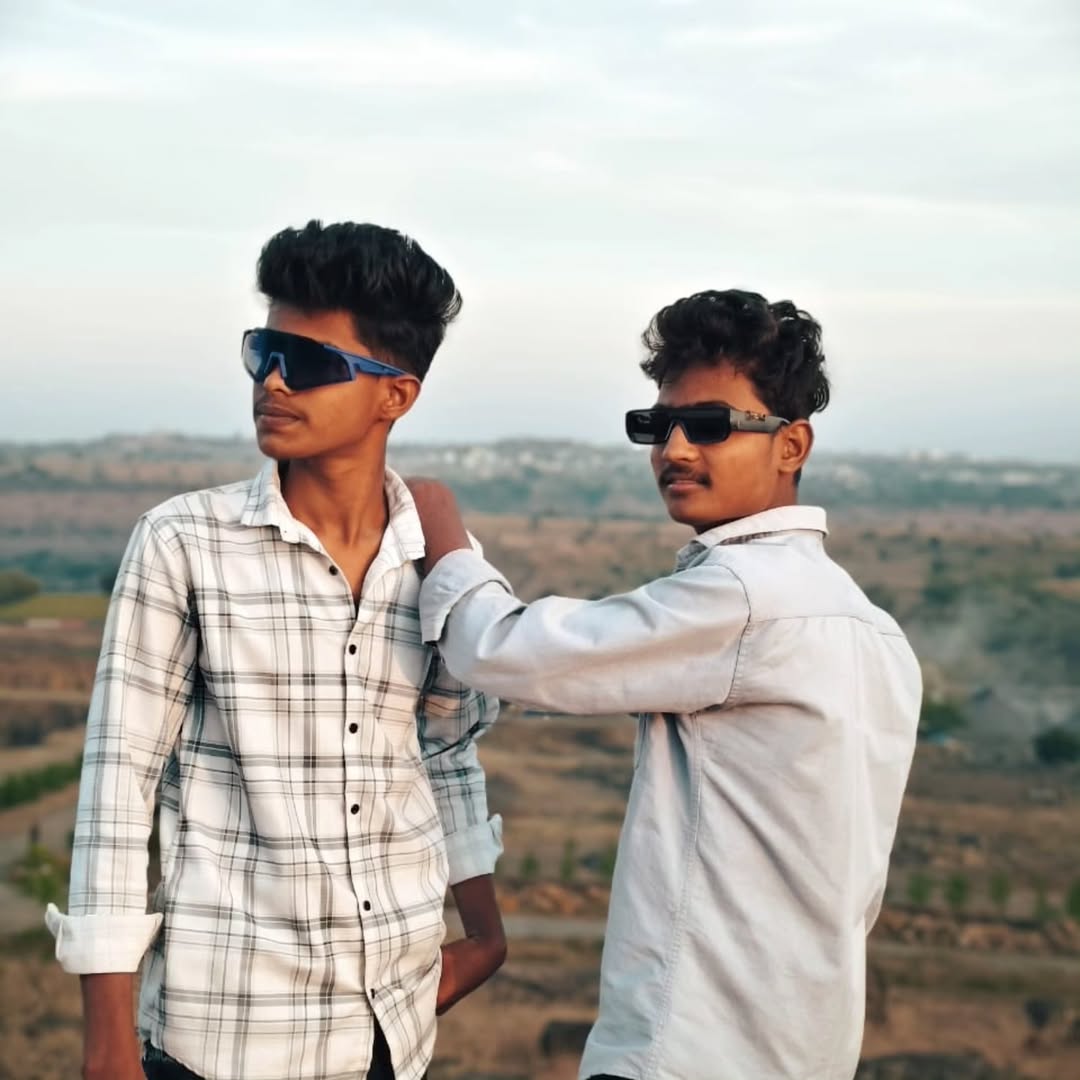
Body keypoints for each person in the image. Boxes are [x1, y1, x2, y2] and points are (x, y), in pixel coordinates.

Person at [408, 289, 922, 1080]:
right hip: (806, 1052)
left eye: (710, 424)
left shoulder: (744, 597)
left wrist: (439, 527)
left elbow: (508, 653)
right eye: (658, 425)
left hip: (690, 1048)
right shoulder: (877, 634)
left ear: (792, 445)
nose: (675, 449)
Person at [46, 221, 506, 1080]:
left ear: (396, 395)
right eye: (264, 351)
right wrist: (107, 1043)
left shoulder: (436, 557)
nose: (274, 381)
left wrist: (485, 933)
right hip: (229, 1033)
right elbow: (118, 787)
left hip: (393, 1029)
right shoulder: (185, 543)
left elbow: (446, 747)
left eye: (312, 362)